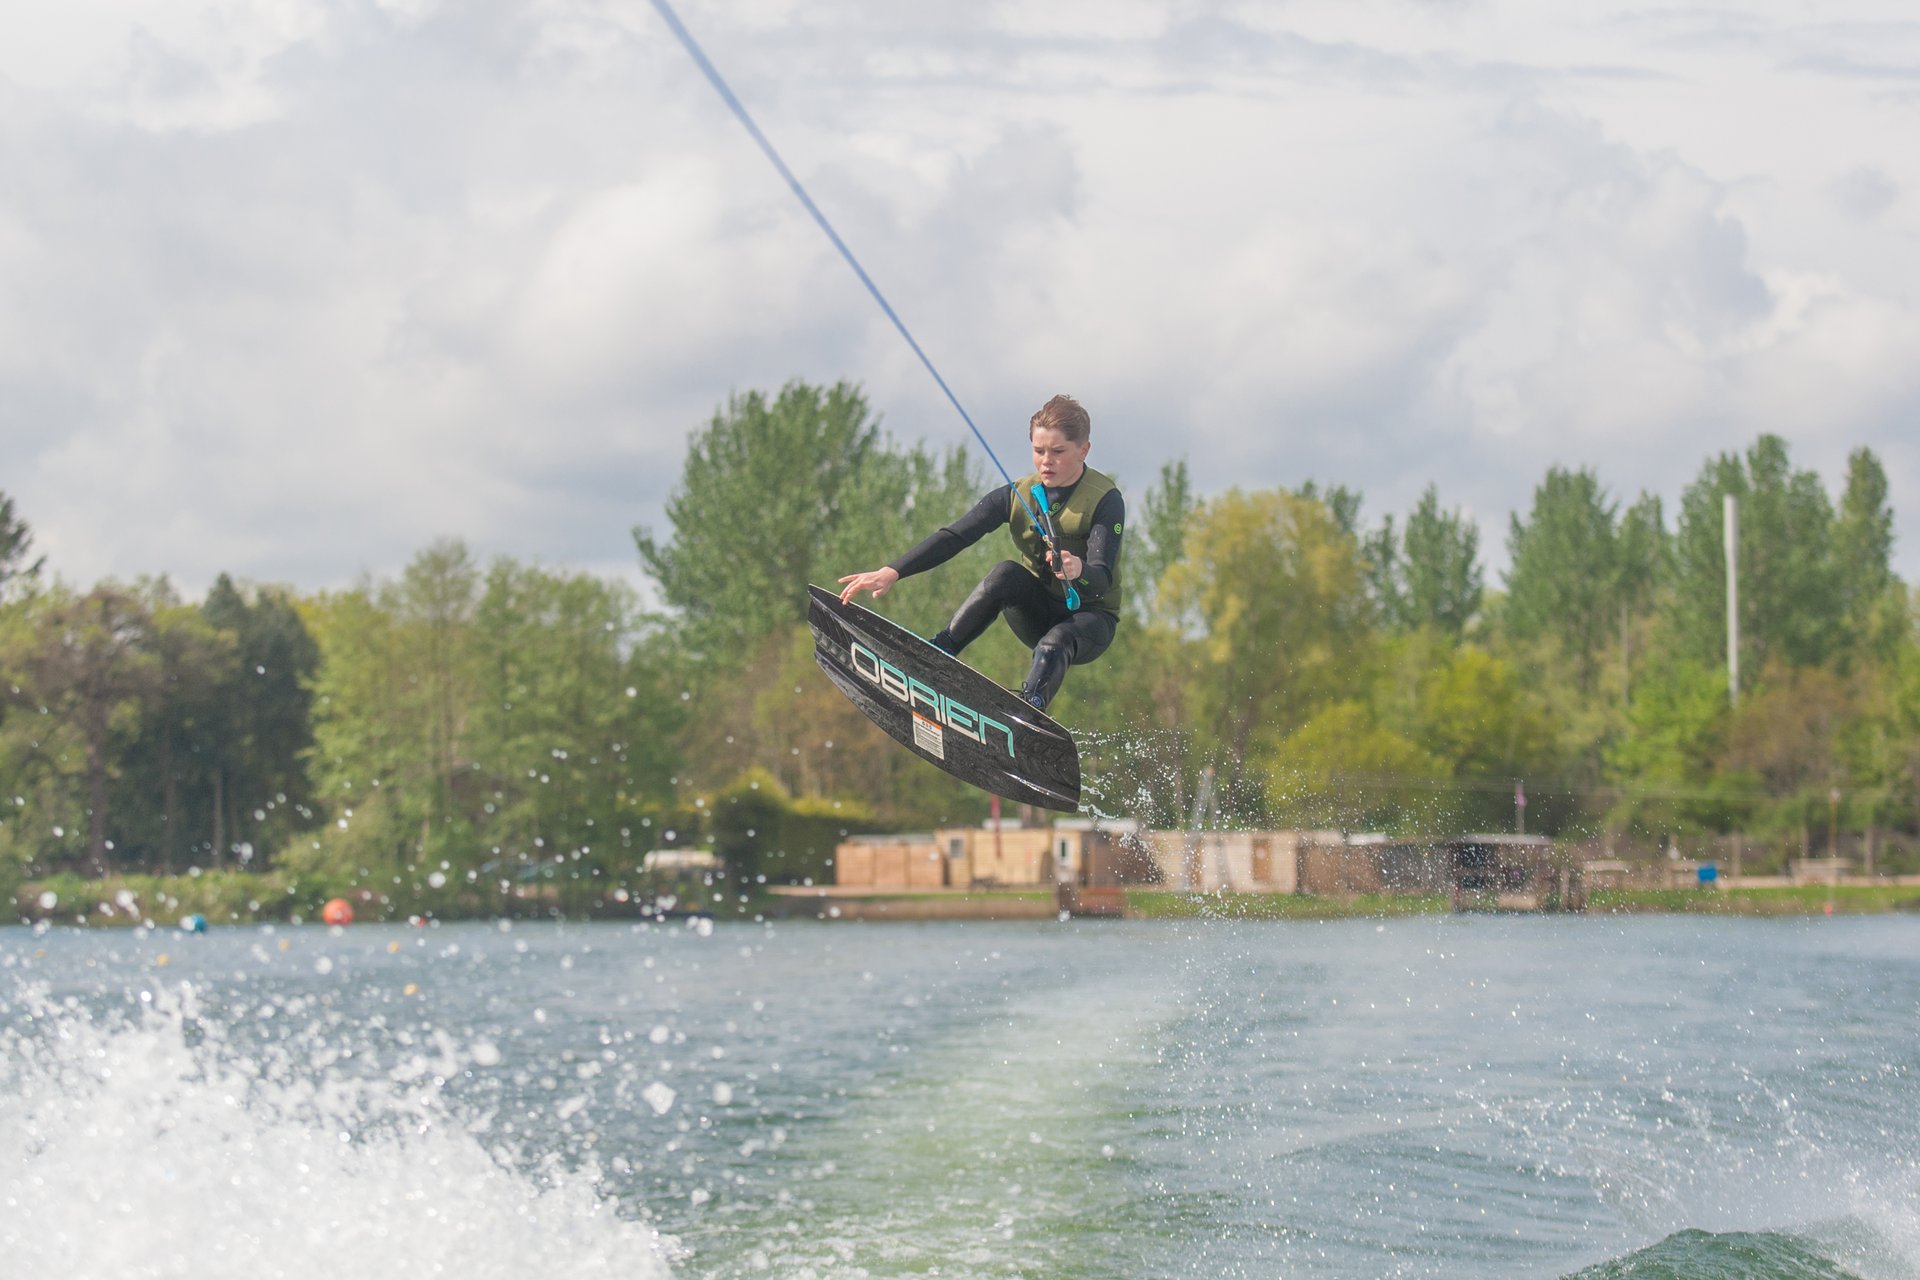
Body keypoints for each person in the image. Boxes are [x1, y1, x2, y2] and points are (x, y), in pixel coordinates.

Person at [837, 394, 1124, 712]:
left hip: (1090, 622)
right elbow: (954, 536)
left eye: (1058, 452)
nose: (1046, 461)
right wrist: (893, 571)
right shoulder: (1018, 495)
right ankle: (939, 653)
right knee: (1005, 574)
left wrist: (1078, 569)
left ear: (1083, 450)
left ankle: (1029, 711)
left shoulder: (1105, 499)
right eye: (1038, 451)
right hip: (1038, 612)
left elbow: (1102, 578)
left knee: (1053, 644)